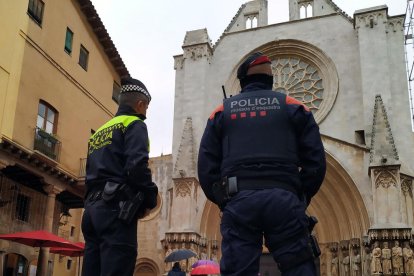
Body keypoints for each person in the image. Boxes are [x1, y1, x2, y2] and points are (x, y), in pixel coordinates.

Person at [198, 52, 326, 275]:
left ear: (242, 81)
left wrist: (225, 202)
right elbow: (315, 162)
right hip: (284, 199)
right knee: (299, 268)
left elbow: (206, 168)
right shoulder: (294, 107)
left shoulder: (221, 113)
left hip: (239, 201)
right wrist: (299, 196)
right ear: (271, 80)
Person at [81, 77, 158, 276]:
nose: (146, 112)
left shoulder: (99, 132)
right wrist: (151, 195)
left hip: (90, 212)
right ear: (140, 104)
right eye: (146, 107)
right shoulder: (135, 124)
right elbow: (136, 167)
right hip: (115, 210)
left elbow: (89, 173)